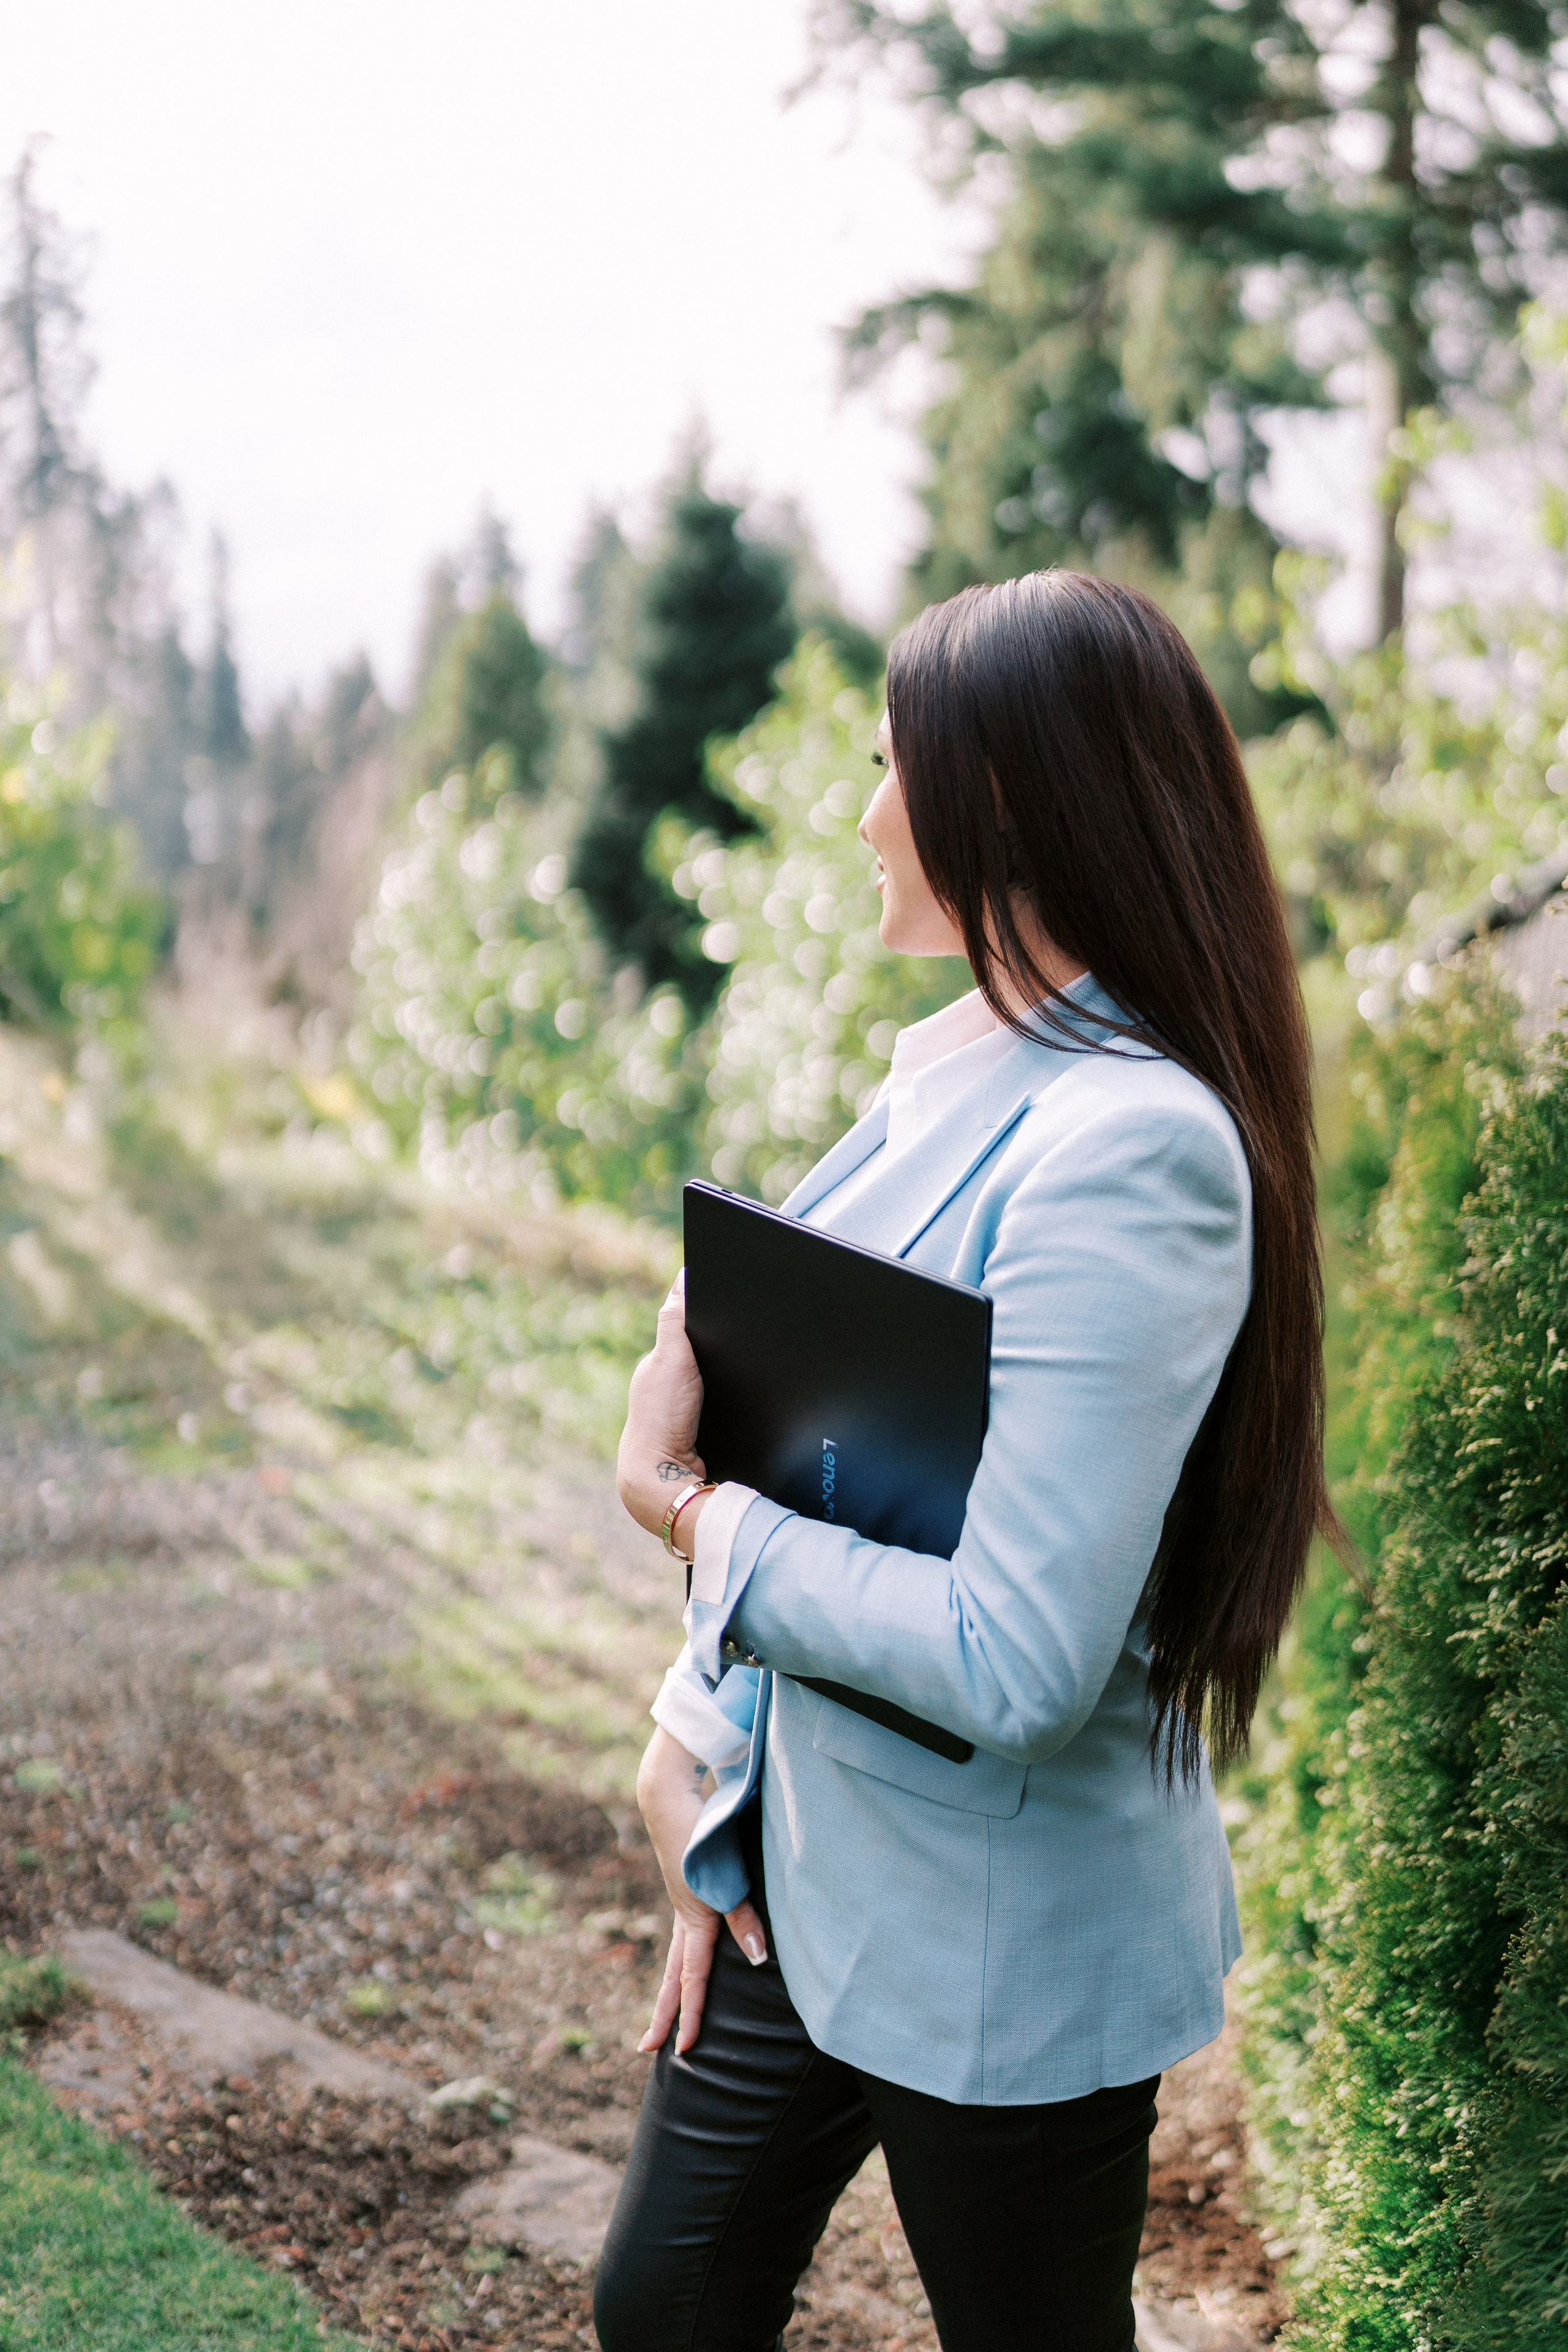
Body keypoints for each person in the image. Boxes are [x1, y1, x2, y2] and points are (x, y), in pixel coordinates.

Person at [594, 571, 1336, 2352]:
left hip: (1001, 1936)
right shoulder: (948, 1076)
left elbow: (1014, 1656)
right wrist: (696, 1749)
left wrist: (694, 1521)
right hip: (793, 1867)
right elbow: (862, 1464)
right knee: (666, 2306)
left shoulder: (1130, 1147)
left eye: (886, 765)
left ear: (1001, 800)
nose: (860, 815)